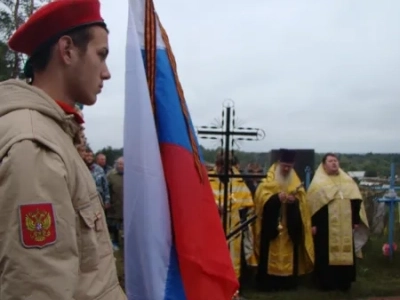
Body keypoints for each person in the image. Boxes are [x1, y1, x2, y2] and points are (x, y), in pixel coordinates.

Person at [0, 1, 126, 299]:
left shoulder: (54, 135)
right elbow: (36, 288)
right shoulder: (35, 145)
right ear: (68, 50)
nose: (106, 73)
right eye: (101, 55)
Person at [253, 149, 314, 291]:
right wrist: (275, 198)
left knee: (290, 253)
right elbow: (260, 198)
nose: (286, 169)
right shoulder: (270, 178)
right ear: (279, 163)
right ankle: (268, 283)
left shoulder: (295, 180)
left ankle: (288, 283)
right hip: (271, 224)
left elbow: (302, 201)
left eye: (289, 166)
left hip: (289, 225)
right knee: (269, 253)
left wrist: (294, 201)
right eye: (284, 165)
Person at [307, 153, 369, 291]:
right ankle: (325, 284)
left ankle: (344, 283)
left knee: (346, 251)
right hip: (325, 226)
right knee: (324, 253)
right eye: (330, 161)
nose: (334, 163)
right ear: (323, 165)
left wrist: (355, 220)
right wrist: (313, 224)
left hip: (345, 225)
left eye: (335, 161)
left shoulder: (347, 181)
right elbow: (312, 206)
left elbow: (356, 200)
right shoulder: (318, 183)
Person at [208, 153, 256, 287]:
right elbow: (202, 200)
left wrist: (231, 207)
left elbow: (247, 203)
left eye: (225, 165)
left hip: (234, 227)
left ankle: (233, 289)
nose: (222, 168)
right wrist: (215, 207)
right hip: (213, 226)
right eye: (220, 165)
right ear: (216, 165)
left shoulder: (238, 180)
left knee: (233, 260)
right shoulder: (208, 179)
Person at [107, 157, 124, 251]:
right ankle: (115, 242)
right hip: (115, 204)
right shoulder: (110, 175)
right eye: (120, 164)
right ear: (116, 164)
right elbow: (106, 189)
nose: (121, 166)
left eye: (123, 164)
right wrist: (107, 201)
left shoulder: (130, 174)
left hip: (126, 205)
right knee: (114, 225)